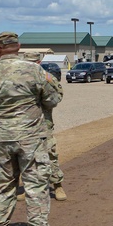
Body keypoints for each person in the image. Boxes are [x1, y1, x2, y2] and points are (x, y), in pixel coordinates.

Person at [0, 32, 62, 226]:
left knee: (2, 186)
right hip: (31, 138)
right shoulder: (34, 71)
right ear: (18, 47)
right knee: (36, 186)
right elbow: (53, 99)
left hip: (2, 139)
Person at [20, 51, 66, 201]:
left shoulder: (47, 78)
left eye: (34, 63)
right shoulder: (19, 80)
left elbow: (57, 97)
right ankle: (28, 189)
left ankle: (57, 186)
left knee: (49, 155)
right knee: (26, 157)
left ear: (39, 63)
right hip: (24, 125)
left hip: (43, 124)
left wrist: (44, 99)